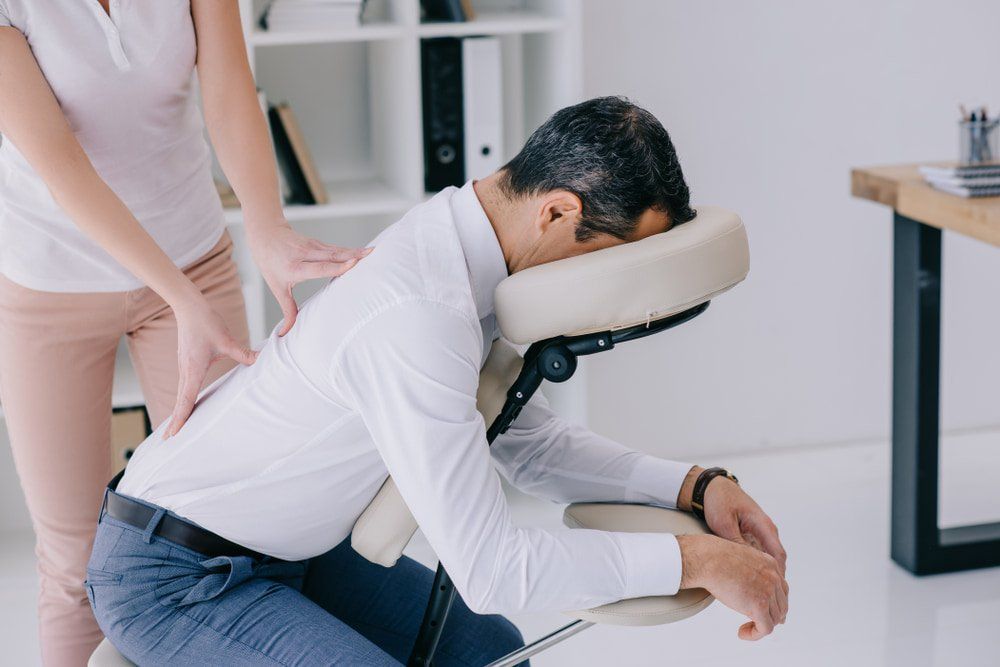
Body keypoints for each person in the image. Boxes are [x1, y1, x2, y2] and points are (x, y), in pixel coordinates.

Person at [88, 97, 789, 666]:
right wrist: (693, 559)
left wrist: (696, 486)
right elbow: (491, 567)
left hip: (292, 550)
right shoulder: (419, 312)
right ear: (558, 212)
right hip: (176, 574)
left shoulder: (466, 258)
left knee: (492, 655)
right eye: (616, 257)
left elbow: (526, 443)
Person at [0, 3, 367, 663]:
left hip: (194, 256)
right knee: (74, 557)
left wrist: (266, 227)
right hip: (48, 289)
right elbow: (58, 161)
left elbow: (226, 92)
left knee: (228, 525)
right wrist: (176, 292)